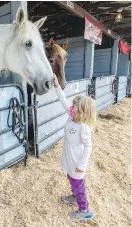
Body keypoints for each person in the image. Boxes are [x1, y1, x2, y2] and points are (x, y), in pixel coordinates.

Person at [53, 74, 97, 220]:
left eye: (75, 107)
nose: (71, 108)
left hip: (77, 160)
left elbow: (88, 147)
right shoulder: (72, 116)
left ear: (82, 111)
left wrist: (82, 165)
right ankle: (74, 195)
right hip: (69, 156)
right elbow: (63, 100)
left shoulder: (83, 127)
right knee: (70, 177)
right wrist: (57, 86)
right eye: (72, 106)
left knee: (78, 183)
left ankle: (84, 210)